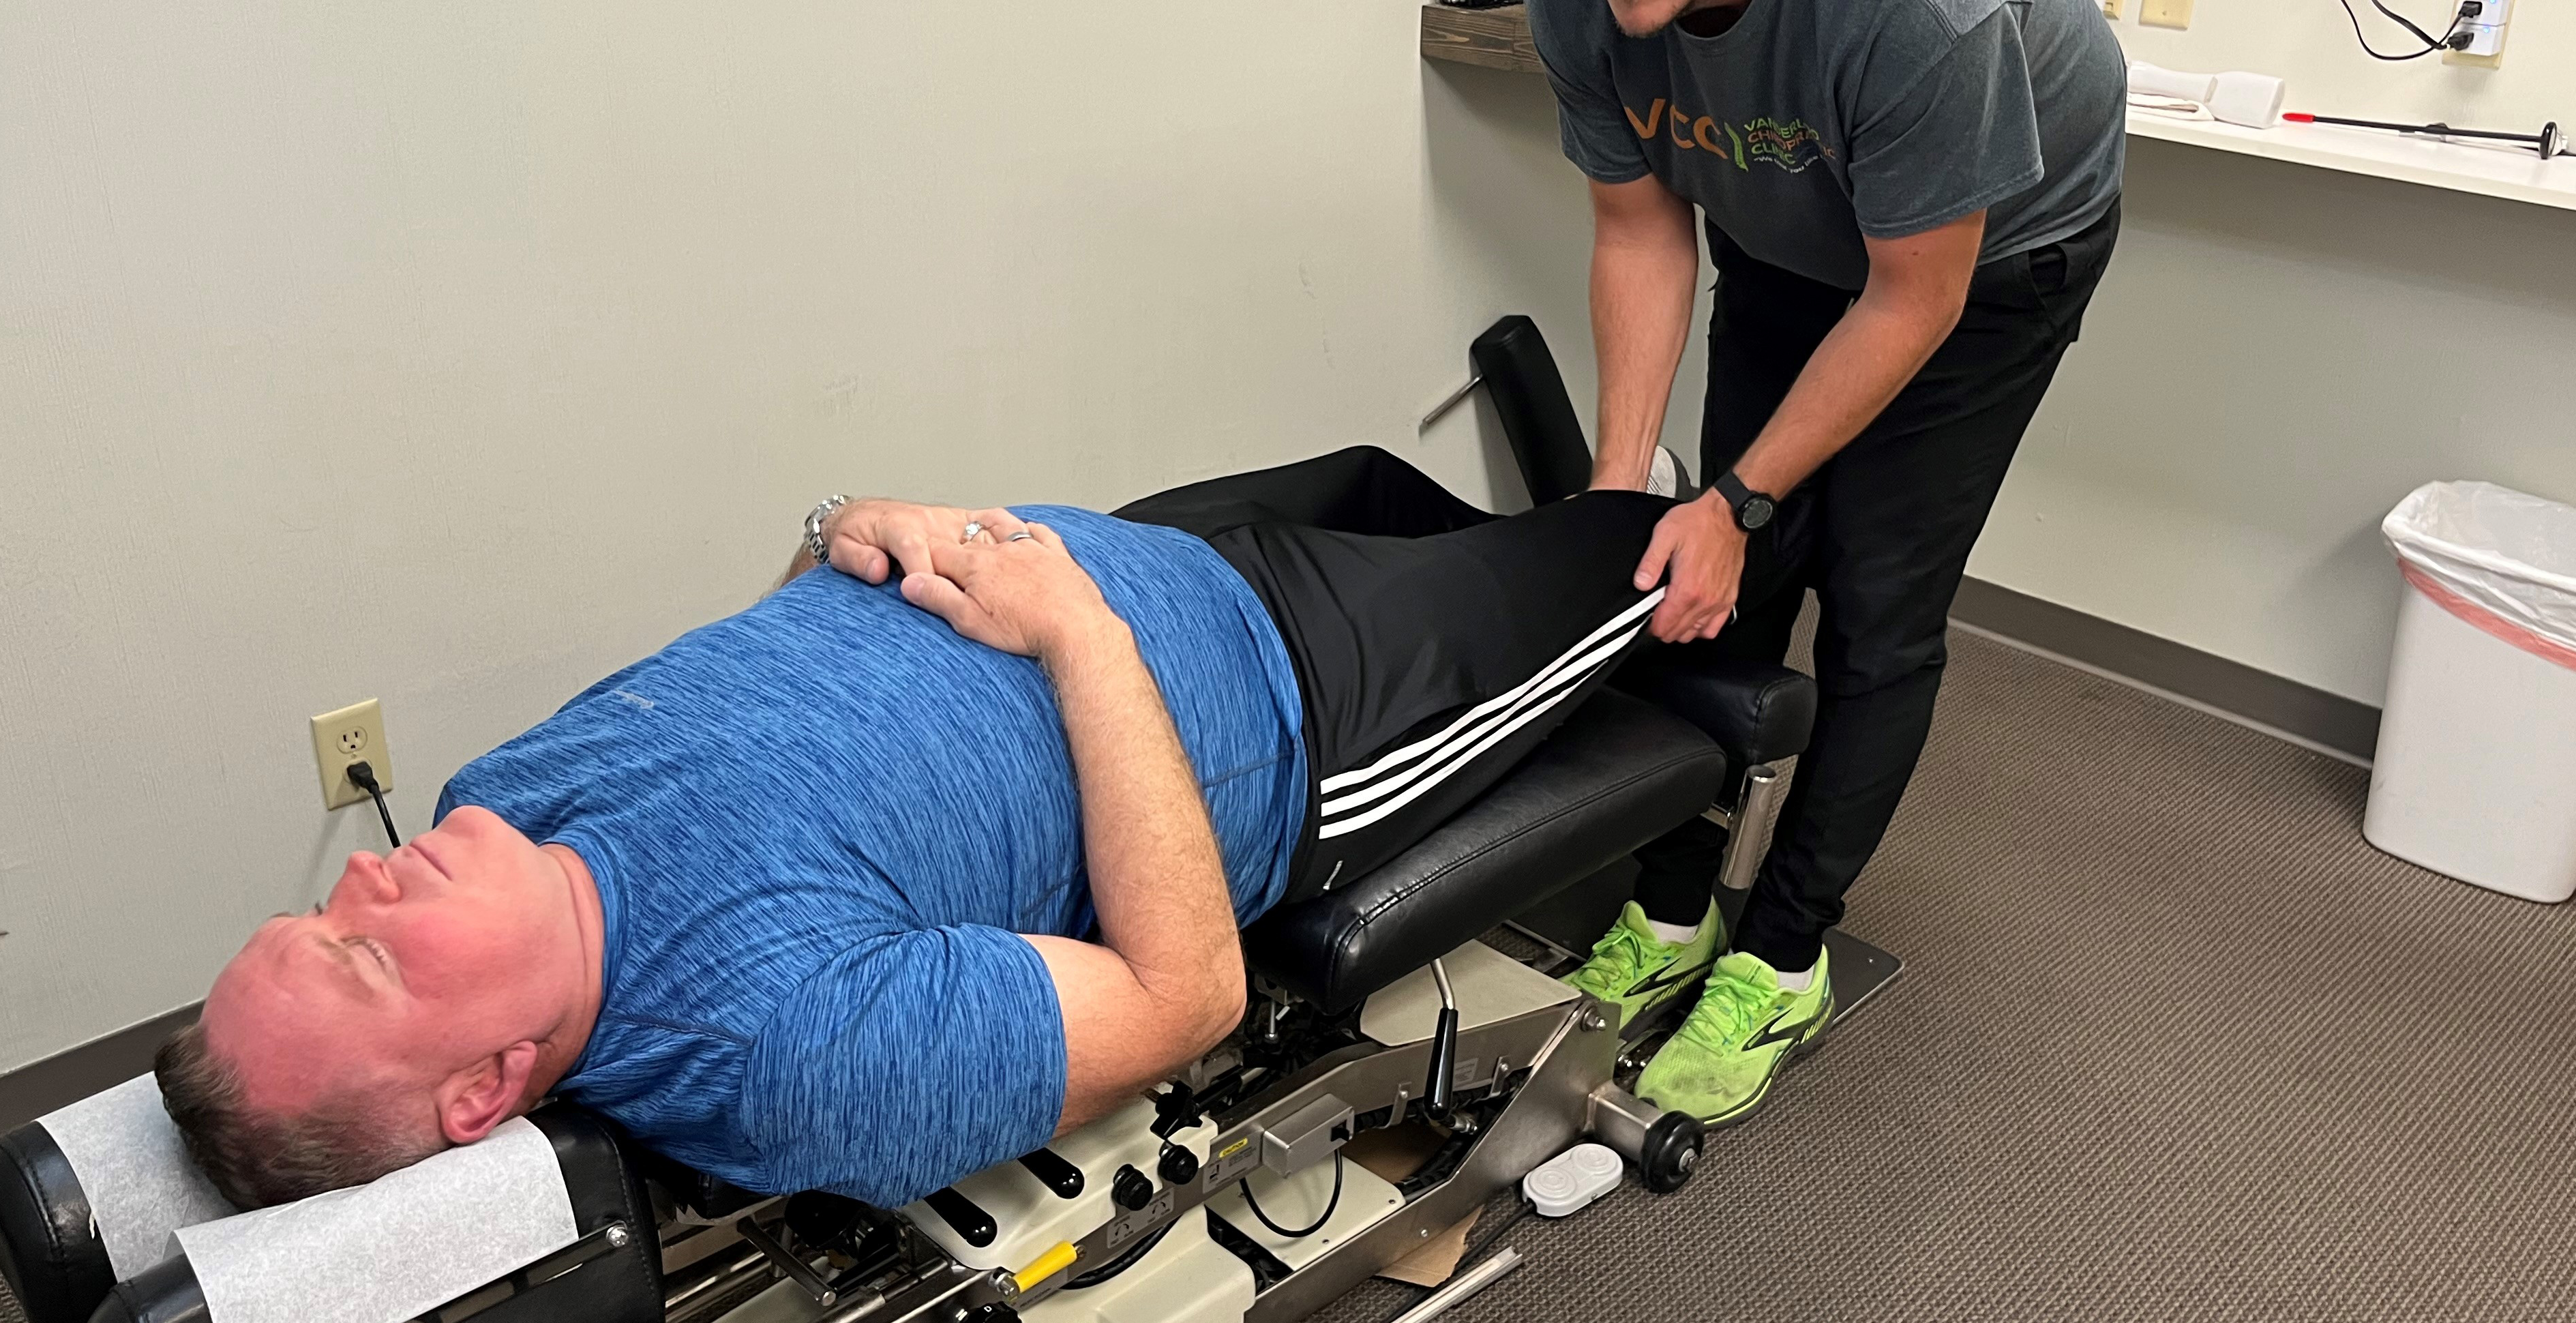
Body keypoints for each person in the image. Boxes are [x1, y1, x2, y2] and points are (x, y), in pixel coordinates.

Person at [156, 451, 1677, 1210]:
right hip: (1301, 700)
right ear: (489, 1088)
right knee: (1660, 546)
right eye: (366, 956)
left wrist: (837, 538)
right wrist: (1078, 634)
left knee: (1404, 481)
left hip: (1146, 545)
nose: (366, 870)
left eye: (318, 916)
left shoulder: (500, 801)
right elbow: (1187, 995)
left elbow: (765, 693)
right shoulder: (786, 1056)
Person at [1522, 0, 2127, 1123]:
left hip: (1991, 266)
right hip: (1789, 235)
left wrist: (1740, 494)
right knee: (1698, 580)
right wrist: (1634, 486)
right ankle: (1673, 906)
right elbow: (1640, 229)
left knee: (1873, 600)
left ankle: (1785, 948)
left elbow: (1915, 297)